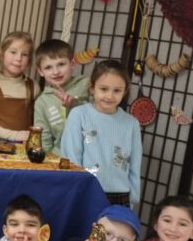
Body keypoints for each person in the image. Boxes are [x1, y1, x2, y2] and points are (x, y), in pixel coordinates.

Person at [61, 60, 142, 207]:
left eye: (117, 90)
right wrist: (74, 190)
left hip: (121, 194)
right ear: (92, 88)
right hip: (86, 190)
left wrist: (133, 198)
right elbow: (71, 157)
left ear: (125, 91)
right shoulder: (79, 115)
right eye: (104, 89)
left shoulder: (132, 123)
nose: (109, 96)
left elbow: (135, 164)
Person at [33, 39, 90, 156]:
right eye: (48, 67)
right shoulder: (42, 102)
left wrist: (76, 105)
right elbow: (43, 138)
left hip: (90, 152)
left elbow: (101, 115)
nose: (56, 72)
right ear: (40, 71)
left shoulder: (87, 85)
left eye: (61, 64)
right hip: (61, 155)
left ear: (72, 64)